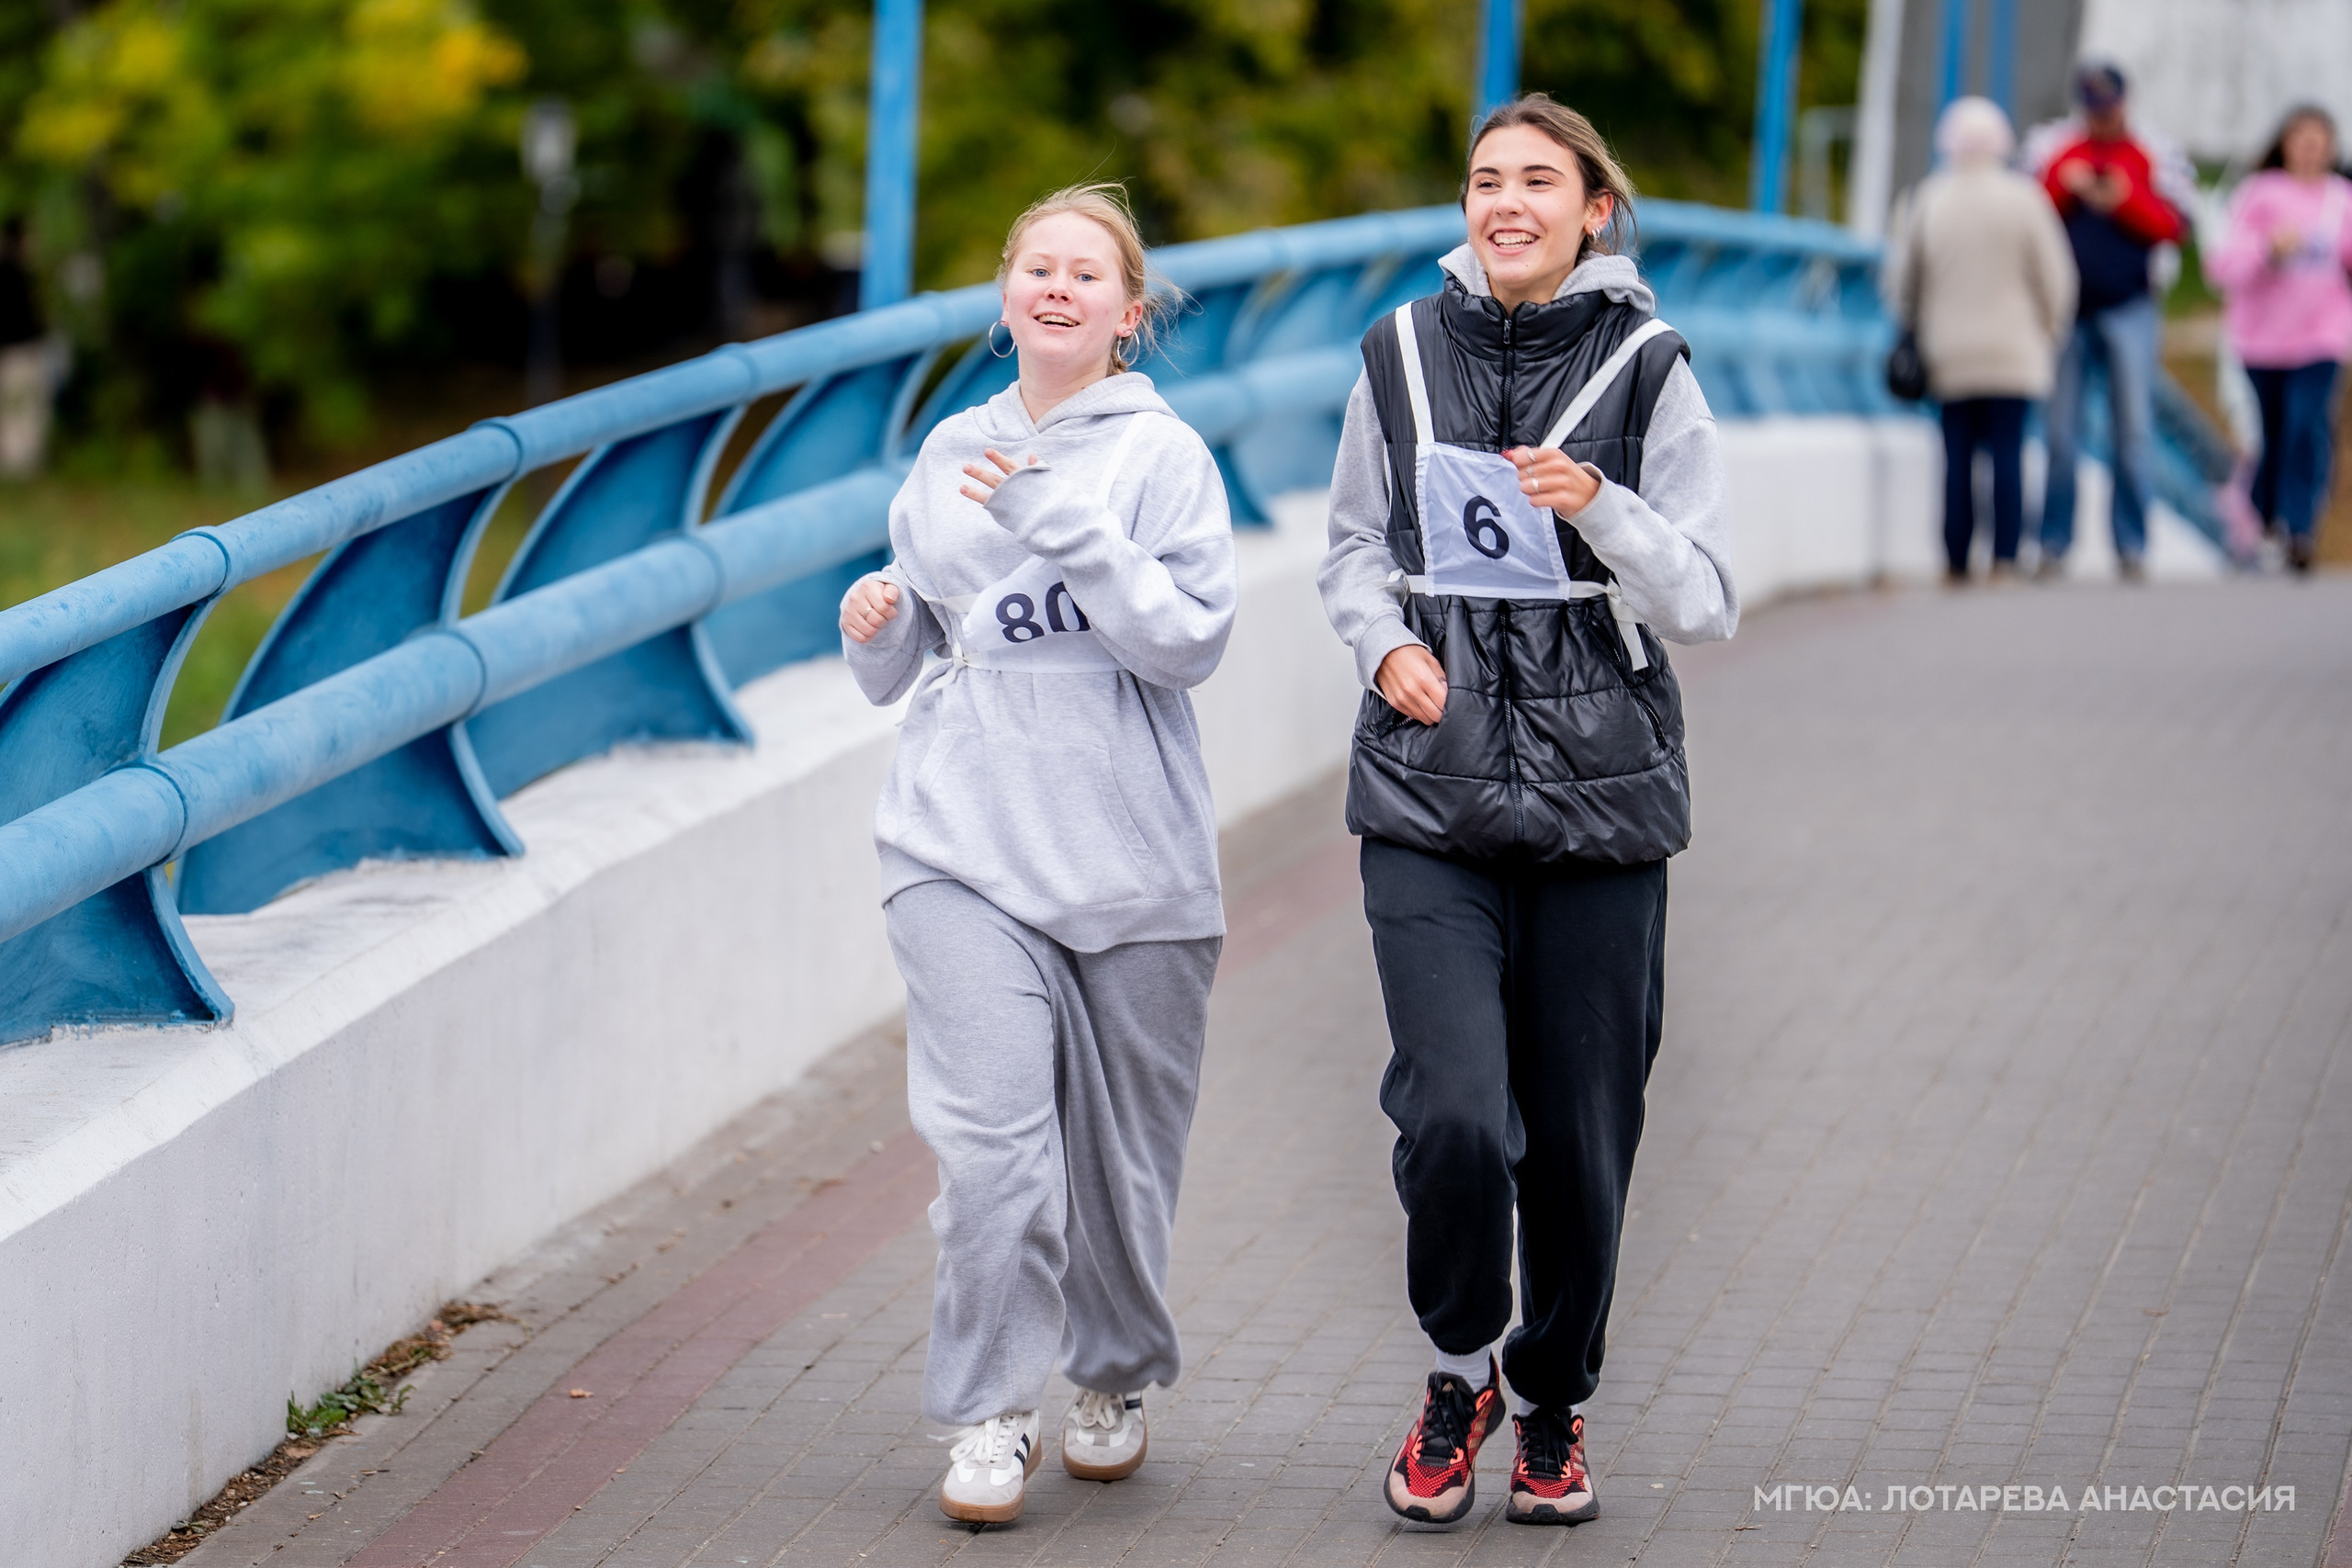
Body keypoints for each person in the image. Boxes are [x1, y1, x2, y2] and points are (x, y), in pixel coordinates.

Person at [1318, 94, 1735, 1529]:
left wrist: (1603, 505)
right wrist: (1386, 645)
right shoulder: (1397, 351)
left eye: (1537, 182)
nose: (1506, 202)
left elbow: (1708, 592)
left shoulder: (1651, 364)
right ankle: (1458, 1367)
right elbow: (1352, 549)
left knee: (1578, 1135)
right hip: (1427, 780)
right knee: (1448, 1114)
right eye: (1485, 180)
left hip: (1602, 798)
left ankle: (1552, 1401)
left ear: (1592, 209)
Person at [837, 183, 1236, 1526]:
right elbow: (917, 660)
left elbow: (1188, 642)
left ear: (1130, 314)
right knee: (994, 1155)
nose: (1057, 289)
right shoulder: (948, 446)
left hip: (1132, 861)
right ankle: (990, 1411)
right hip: (959, 840)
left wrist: (1070, 525)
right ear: (1006, 294)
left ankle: (1111, 1375)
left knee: (1121, 1171)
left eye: (1086, 274)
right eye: (1035, 268)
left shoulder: (1163, 456)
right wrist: (877, 622)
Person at [1886, 97, 2077, 583]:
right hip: (2015, 352)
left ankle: (1955, 560)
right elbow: (2057, 280)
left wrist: (1913, 328)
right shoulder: (2026, 198)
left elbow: (1900, 283)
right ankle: (2006, 559)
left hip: (1949, 352)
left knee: (1957, 458)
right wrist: (2049, 333)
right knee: (2009, 454)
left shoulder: (1927, 198)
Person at [2030, 62, 2194, 581]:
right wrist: (2069, 186)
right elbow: (2031, 215)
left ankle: (2132, 544)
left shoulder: (2153, 153)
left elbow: (2174, 227)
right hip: (2068, 310)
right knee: (2061, 434)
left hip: (2129, 305)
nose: (2102, 118)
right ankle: (2054, 543)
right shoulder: (2057, 151)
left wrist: (2124, 199)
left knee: (2133, 433)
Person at [2207, 105, 2352, 574]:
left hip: (2322, 334)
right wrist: (2269, 249)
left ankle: (2301, 527)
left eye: (2319, 139)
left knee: (2306, 425)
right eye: (2301, 138)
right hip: (2263, 338)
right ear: (2284, 144)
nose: (2310, 149)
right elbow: (2223, 266)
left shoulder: (2341, 199)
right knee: (2273, 431)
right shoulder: (2259, 194)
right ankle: (2264, 512)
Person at [0, 218, 51, 479]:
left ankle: (22, 465)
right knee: (18, 407)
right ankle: (17, 465)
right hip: (16, 351)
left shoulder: (20, 272)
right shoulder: (12, 274)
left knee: (21, 407)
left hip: (22, 350)